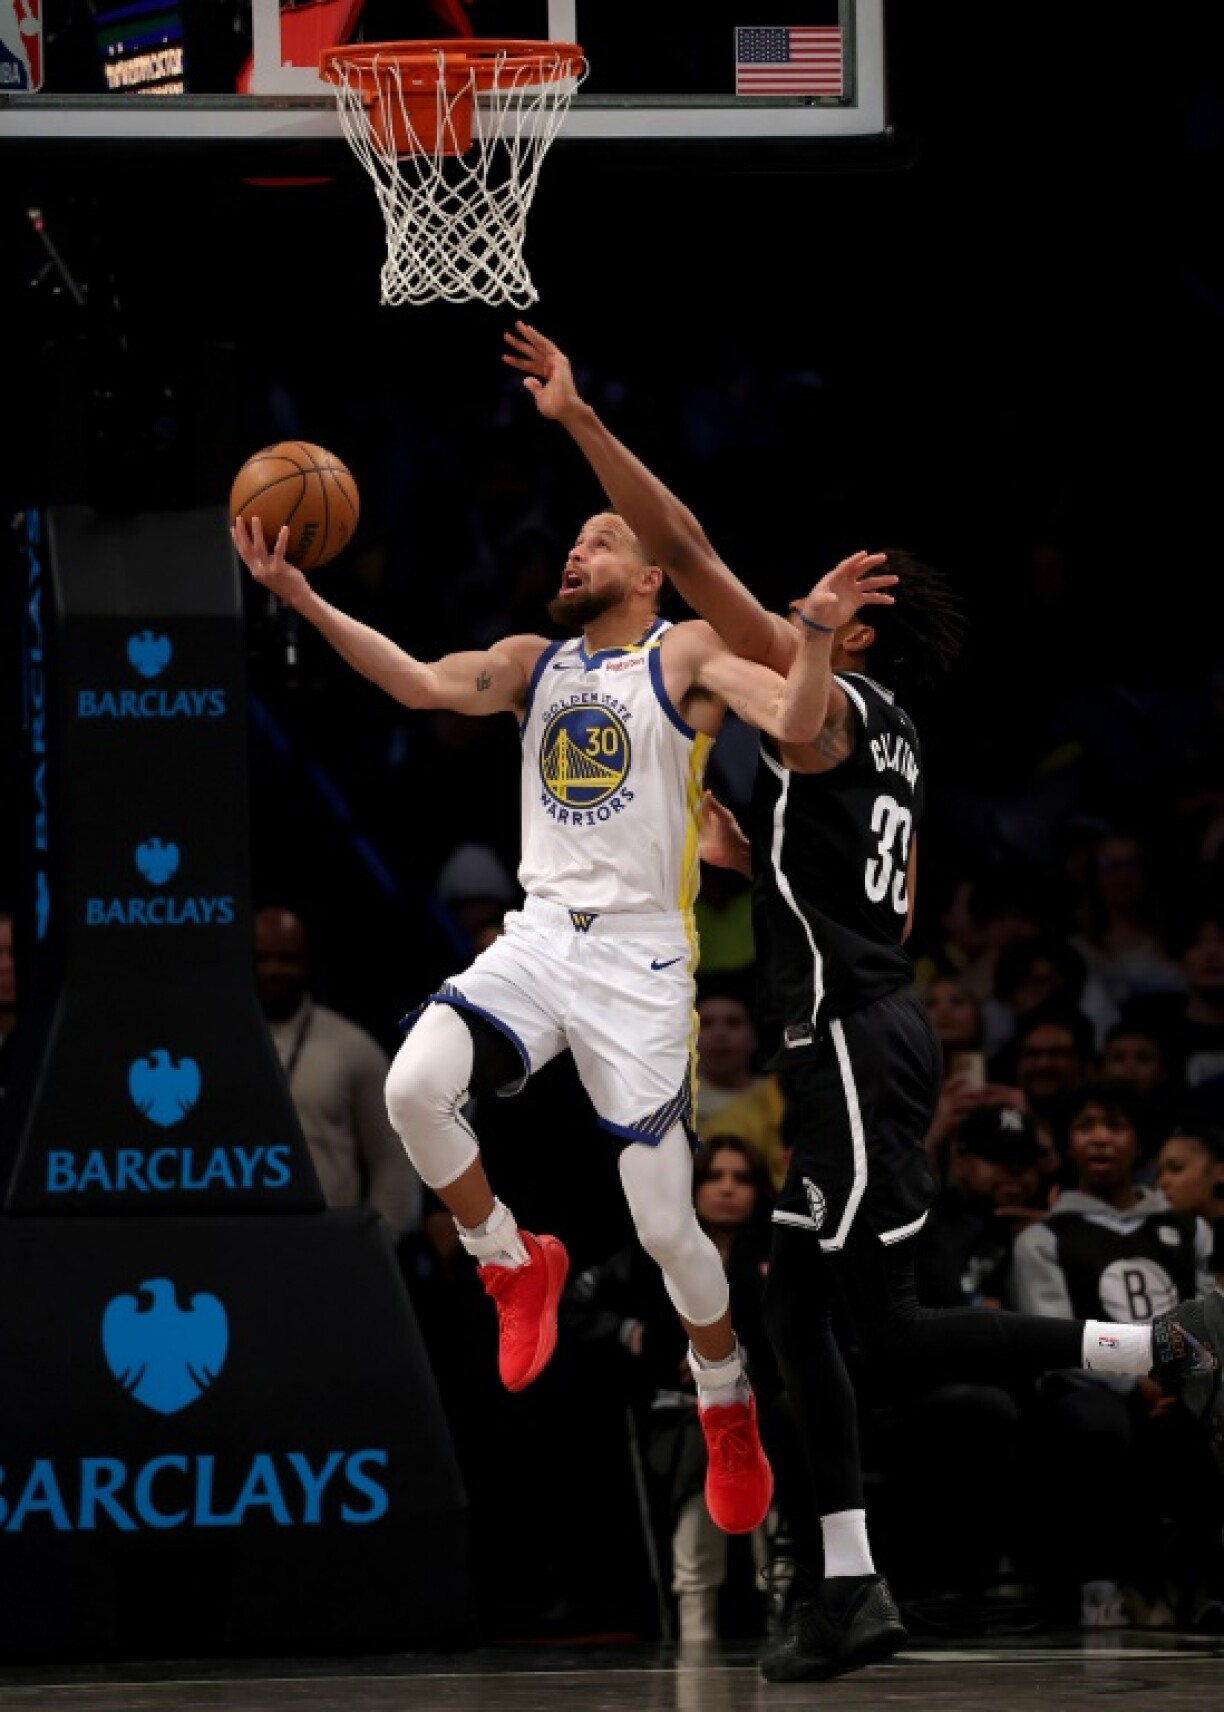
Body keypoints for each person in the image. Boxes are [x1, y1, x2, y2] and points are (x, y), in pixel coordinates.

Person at [500, 319, 1224, 1680]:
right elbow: (815, 856)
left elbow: (697, 557)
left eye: (804, 618)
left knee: (867, 1323)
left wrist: (584, 422)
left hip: (847, 1040)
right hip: (853, 1030)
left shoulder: (833, 704)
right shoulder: (861, 731)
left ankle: (1157, 1349)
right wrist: (743, 858)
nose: (765, 620)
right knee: (798, 1310)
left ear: (858, 627)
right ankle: (852, 1585)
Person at [232, 494, 899, 1542]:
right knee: (412, 1087)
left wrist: (812, 632)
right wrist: (300, 593)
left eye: (604, 539)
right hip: (541, 933)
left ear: (649, 576)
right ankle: (509, 1255)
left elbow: (801, 721)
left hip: (642, 954)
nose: (578, 546)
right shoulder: (532, 662)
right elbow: (414, 680)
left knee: (668, 1225)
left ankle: (723, 1392)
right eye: (578, 536)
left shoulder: (683, 650)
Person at [1012, 1078, 1221, 1628]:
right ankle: (1100, 1582)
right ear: (1068, 1143)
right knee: (1099, 1426)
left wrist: (1180, 1381)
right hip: (1091, 1386)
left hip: (1178, 1384)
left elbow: (1206, 1317)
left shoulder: (1185, 1228)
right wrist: (1138, 1379)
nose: (1100, 1139)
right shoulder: (1045, 1238)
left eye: (1115, 1126)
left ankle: (1203, 1585)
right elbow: (1056, 1336)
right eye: (1086, 1127)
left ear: (1139, 1142)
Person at [562, 1135, 785, 1644]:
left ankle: (781, 1605)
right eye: (714, 1177)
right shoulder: (657, 1248)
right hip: (675, 1416)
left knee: (772, 1439)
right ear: (694, 1186)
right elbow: (578, 1306)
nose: (728, 1188)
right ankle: (695, 1623)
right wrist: (631, 1334)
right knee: (700, 1447)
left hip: (763, 1408)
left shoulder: (778, 1254)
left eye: (742, 1178)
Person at [253, 905, 423, 1241]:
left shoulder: (351, 1047)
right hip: (239, 1241)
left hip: (330, 1245)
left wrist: (379, 1241)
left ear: (309, 965)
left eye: (287, 959)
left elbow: (392, 1158)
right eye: (261, 958)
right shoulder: (218, 1045)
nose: (273, 969)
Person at [695, 972, 789, 1190]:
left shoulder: (781, 1097)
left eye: (733, 1022)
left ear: (754, 1036)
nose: (720, 1034)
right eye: (706, 1023)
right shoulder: (671, 1103)